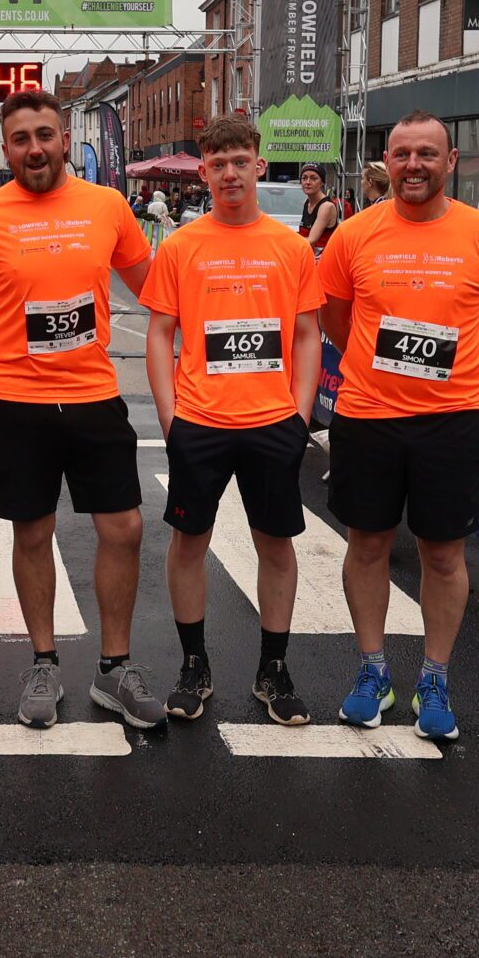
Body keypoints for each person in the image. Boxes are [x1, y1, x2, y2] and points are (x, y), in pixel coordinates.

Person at [0, 90, 160, 730]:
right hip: (15, 405)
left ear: (65, 140)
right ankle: (44, 662)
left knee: (125, 529)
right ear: (5, 148)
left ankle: (115, 670)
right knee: (32, 533)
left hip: (93, 399)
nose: (35, 148)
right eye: (21, 138)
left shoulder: (108, 206)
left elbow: (156, 287)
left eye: (46, 135)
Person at [318, 111, 479, 739]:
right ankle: (372, 670)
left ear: (451, 162)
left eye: (427, 154)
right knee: (368, 546)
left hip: (450, 421)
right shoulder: (354, 235)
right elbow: (335, 320)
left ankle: (434, 678)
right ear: (389, 160)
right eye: (404, 154)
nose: (415, 165)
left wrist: (456, 366)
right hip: (367, 417)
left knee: (443, 554)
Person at [141, 117, 321, 726]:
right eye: (218, 164)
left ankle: (274, 669)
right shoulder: (182, 246)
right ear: (203, 173)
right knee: (189, 543)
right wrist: (171, 420)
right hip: (200, 422)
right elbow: (160, 334)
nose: (230, 173)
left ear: (259, 167)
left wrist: (299, 415)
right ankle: (195, 665)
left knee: (276, 544)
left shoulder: (292, 248)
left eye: (240, 161)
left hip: (273, 423)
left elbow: (306, 335)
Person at [298, 165, 342, 256]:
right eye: (304, 178)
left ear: (322, 183)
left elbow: (311, 241)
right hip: (308, 258)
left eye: (314, 178)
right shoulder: (306, 202)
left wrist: (285, 243)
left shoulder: (326, 206)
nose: (308, 182)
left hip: (323, 261)